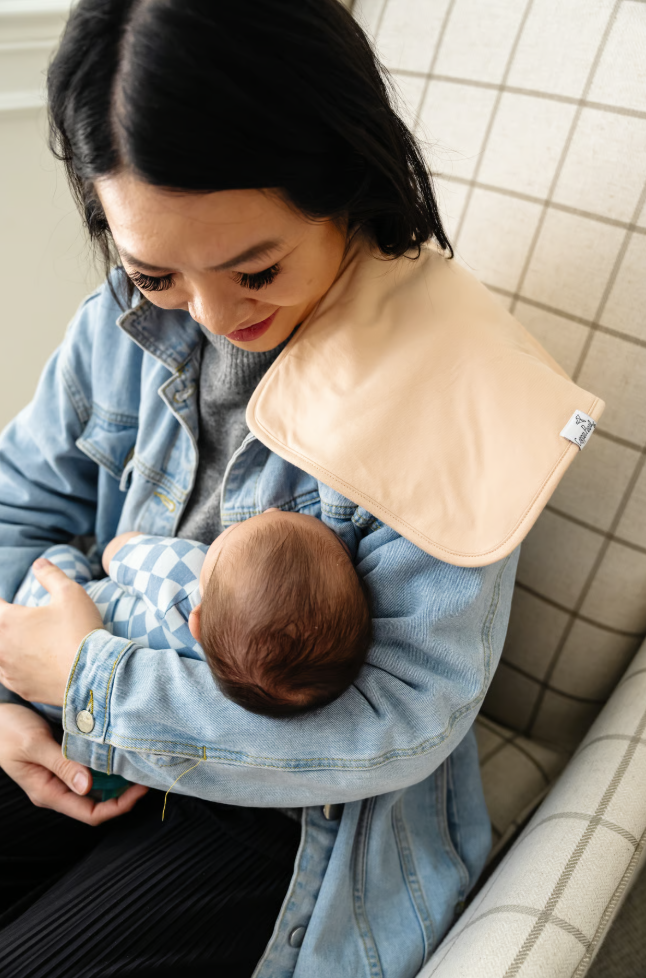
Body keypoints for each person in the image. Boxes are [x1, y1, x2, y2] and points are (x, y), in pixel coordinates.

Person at [0, 1, 604, 976]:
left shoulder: (451, 390)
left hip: (288, 817)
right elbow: (18, 505)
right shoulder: (117, 327)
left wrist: (93, 683)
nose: (209, 313)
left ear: (342, 182)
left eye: (256, 268)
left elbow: (400, 719)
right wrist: (15, 699)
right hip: (72, 718)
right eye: (155, 273)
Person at [15, 509, 371, 721]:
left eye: (236, 530)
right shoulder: (228, 670)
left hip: (38, 627)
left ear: (195, 621)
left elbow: (116, 552)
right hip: (68, 716)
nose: (270, 511)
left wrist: (119, 547)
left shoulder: (185, 572)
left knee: (61, 557)